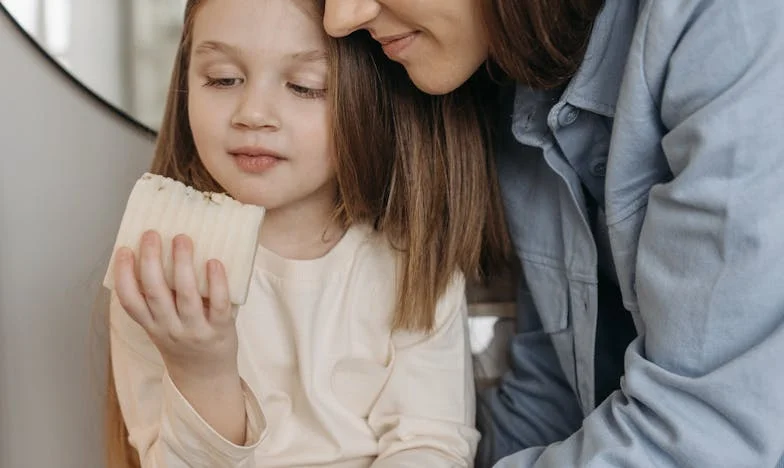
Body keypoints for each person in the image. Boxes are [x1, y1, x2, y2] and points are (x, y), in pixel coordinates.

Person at [323, 1, 784, 467]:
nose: (338, 19)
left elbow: (706, 435)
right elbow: (559, 397)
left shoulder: (733, 20)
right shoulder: (517, 79)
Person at [103, 0, 512, 466]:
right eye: (222, 78)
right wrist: (201, 372)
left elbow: (432, 445)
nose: (252, 113)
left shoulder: (413, 265)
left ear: (370, 96)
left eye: (304, 86)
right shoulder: (157, 275)